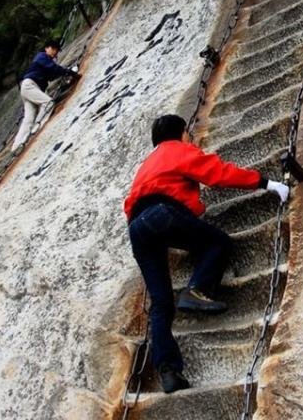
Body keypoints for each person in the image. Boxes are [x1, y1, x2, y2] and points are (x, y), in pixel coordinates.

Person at [124, 114, 290, 394]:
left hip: (137, 228)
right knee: (218, 243)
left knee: (161, 304)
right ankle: (197, 290)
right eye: (188, 133)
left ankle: (168, 371)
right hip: (163, 212)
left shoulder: (146, 165)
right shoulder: (177, 150)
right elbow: (217, 174)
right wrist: (266, 183)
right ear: (182, 133)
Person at [11, 39, 80, 152]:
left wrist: (67, 73)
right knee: (48, 103)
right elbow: (54, 68)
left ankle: (17, 146)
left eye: (56, 51)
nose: (55, 53)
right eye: (54, 49)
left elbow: (53, 74)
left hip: (28, 87)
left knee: (29, 117)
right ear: (47, 48)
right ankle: (37, 128)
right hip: (30, 85)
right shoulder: (42, 56)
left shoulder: (44, 60)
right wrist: (70, 72)